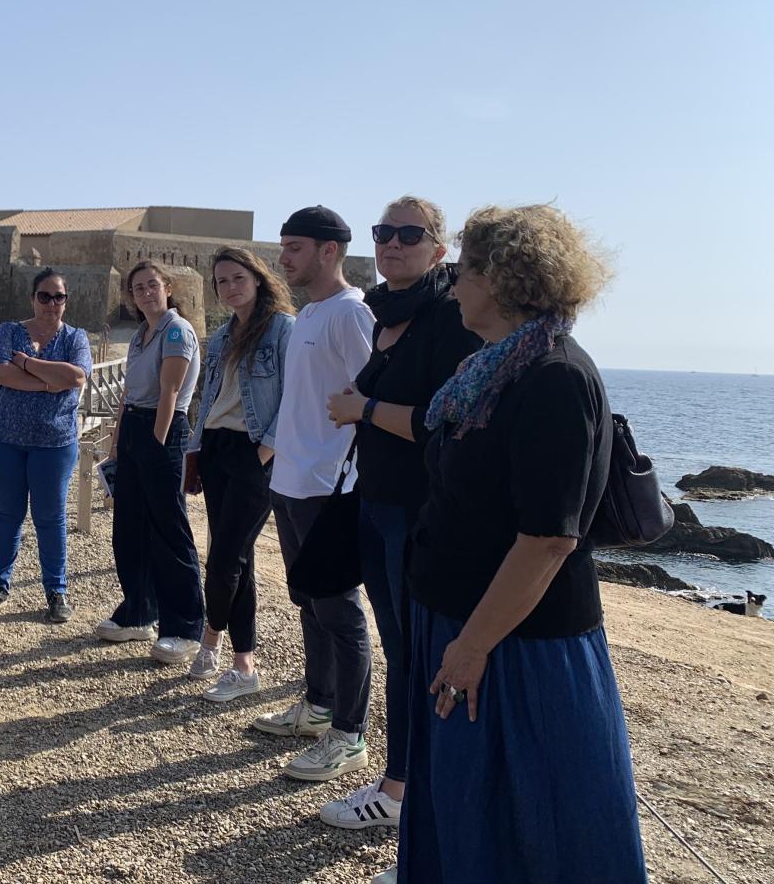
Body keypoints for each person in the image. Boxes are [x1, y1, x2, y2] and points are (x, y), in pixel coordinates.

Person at [390, 204, 643, 884]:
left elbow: (547, 540)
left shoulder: (554, 376)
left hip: (516, 646)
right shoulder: (492, 369)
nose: (452, 282)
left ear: (502, 279)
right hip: (462, 621)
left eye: (462, 268)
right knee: (466, 810)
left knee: (534, 823)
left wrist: (471, 646)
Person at [316, 197, 482, 831]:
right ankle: (404, 785)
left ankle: (402, 792)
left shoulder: (447, 318)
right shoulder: (385, 315)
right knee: (400, 652)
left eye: (409, 234)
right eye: (384, 232)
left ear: (439, 251)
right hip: (377, 501)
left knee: (416, 655)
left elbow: (447, 422)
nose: (391, 243)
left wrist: (363, 410)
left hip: (418, 513)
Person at [250, 206, 377, 783]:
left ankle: (349, 733)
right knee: (309, 603)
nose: (284, 259)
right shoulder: (310, 313)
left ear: (330, 251)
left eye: (294, 247)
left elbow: (369, 401)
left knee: (340, 611)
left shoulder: (351, 313)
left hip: (328, 485)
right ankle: (318, 705)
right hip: (292, 480)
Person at [182, 247, 295, 701]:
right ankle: (243, 664)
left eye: (237, 278)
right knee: (239, 557)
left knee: (224, 557)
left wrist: (267, 448)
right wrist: (195, 449)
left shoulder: (283, 328)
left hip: (255, 451)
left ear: (257, 277)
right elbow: (209, 398)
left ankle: (210, 639)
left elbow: (295, 393)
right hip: (217, 447)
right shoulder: (224, 334)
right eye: (221, 282)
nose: (230, 287)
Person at [95, 260, 204, 664]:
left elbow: (170, 392)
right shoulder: (142, 334)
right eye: (138, 288)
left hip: (165, 428)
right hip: (137, 427)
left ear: (168, 288)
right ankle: (138, 613)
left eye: (151, 286)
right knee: (129, 528)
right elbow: (128, 395)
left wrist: (156, 445)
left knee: (169, 532)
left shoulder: (177, 331)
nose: (145, 293)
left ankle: (185, 627)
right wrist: (118, 445)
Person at [0, 269, 92, 623]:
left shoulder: (75, 337)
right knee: (6, 516)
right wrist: (46, 383)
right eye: (44, 296)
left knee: (50, 518)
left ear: (66, 301)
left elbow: (76, 377)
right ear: (32, 298)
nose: (51, 304)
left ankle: (56, 591)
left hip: (55, 442)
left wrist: (25, 362)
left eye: (58, 297)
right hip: (7, 439)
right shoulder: (9, 330)